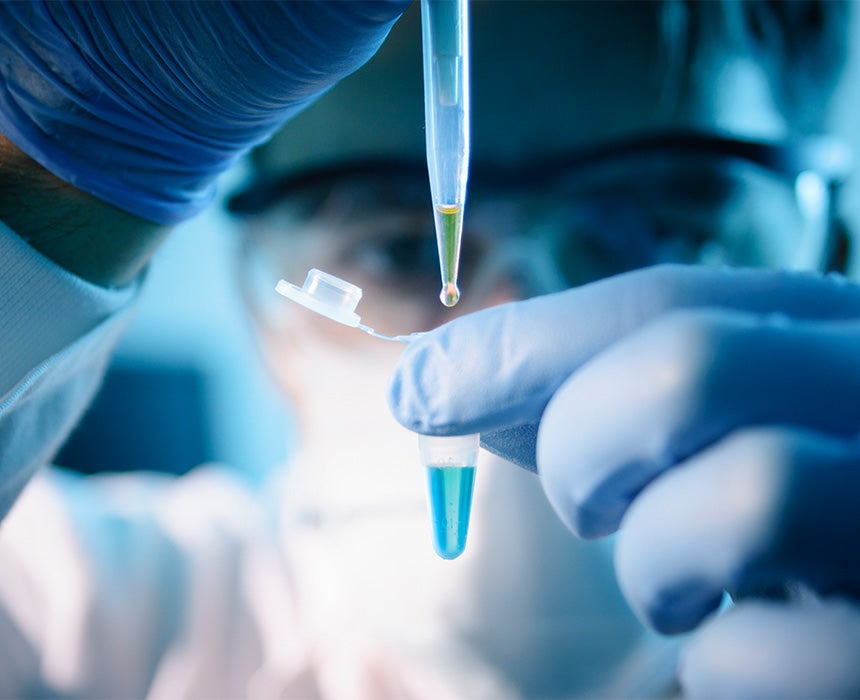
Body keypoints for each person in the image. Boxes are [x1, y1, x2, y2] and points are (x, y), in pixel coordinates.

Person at [0, 1, 857, 698]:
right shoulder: (74, 616)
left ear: (830, 259)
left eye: (661, 221)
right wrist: (45, 174)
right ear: (261, 309)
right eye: (400, 244)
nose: (515, 312)